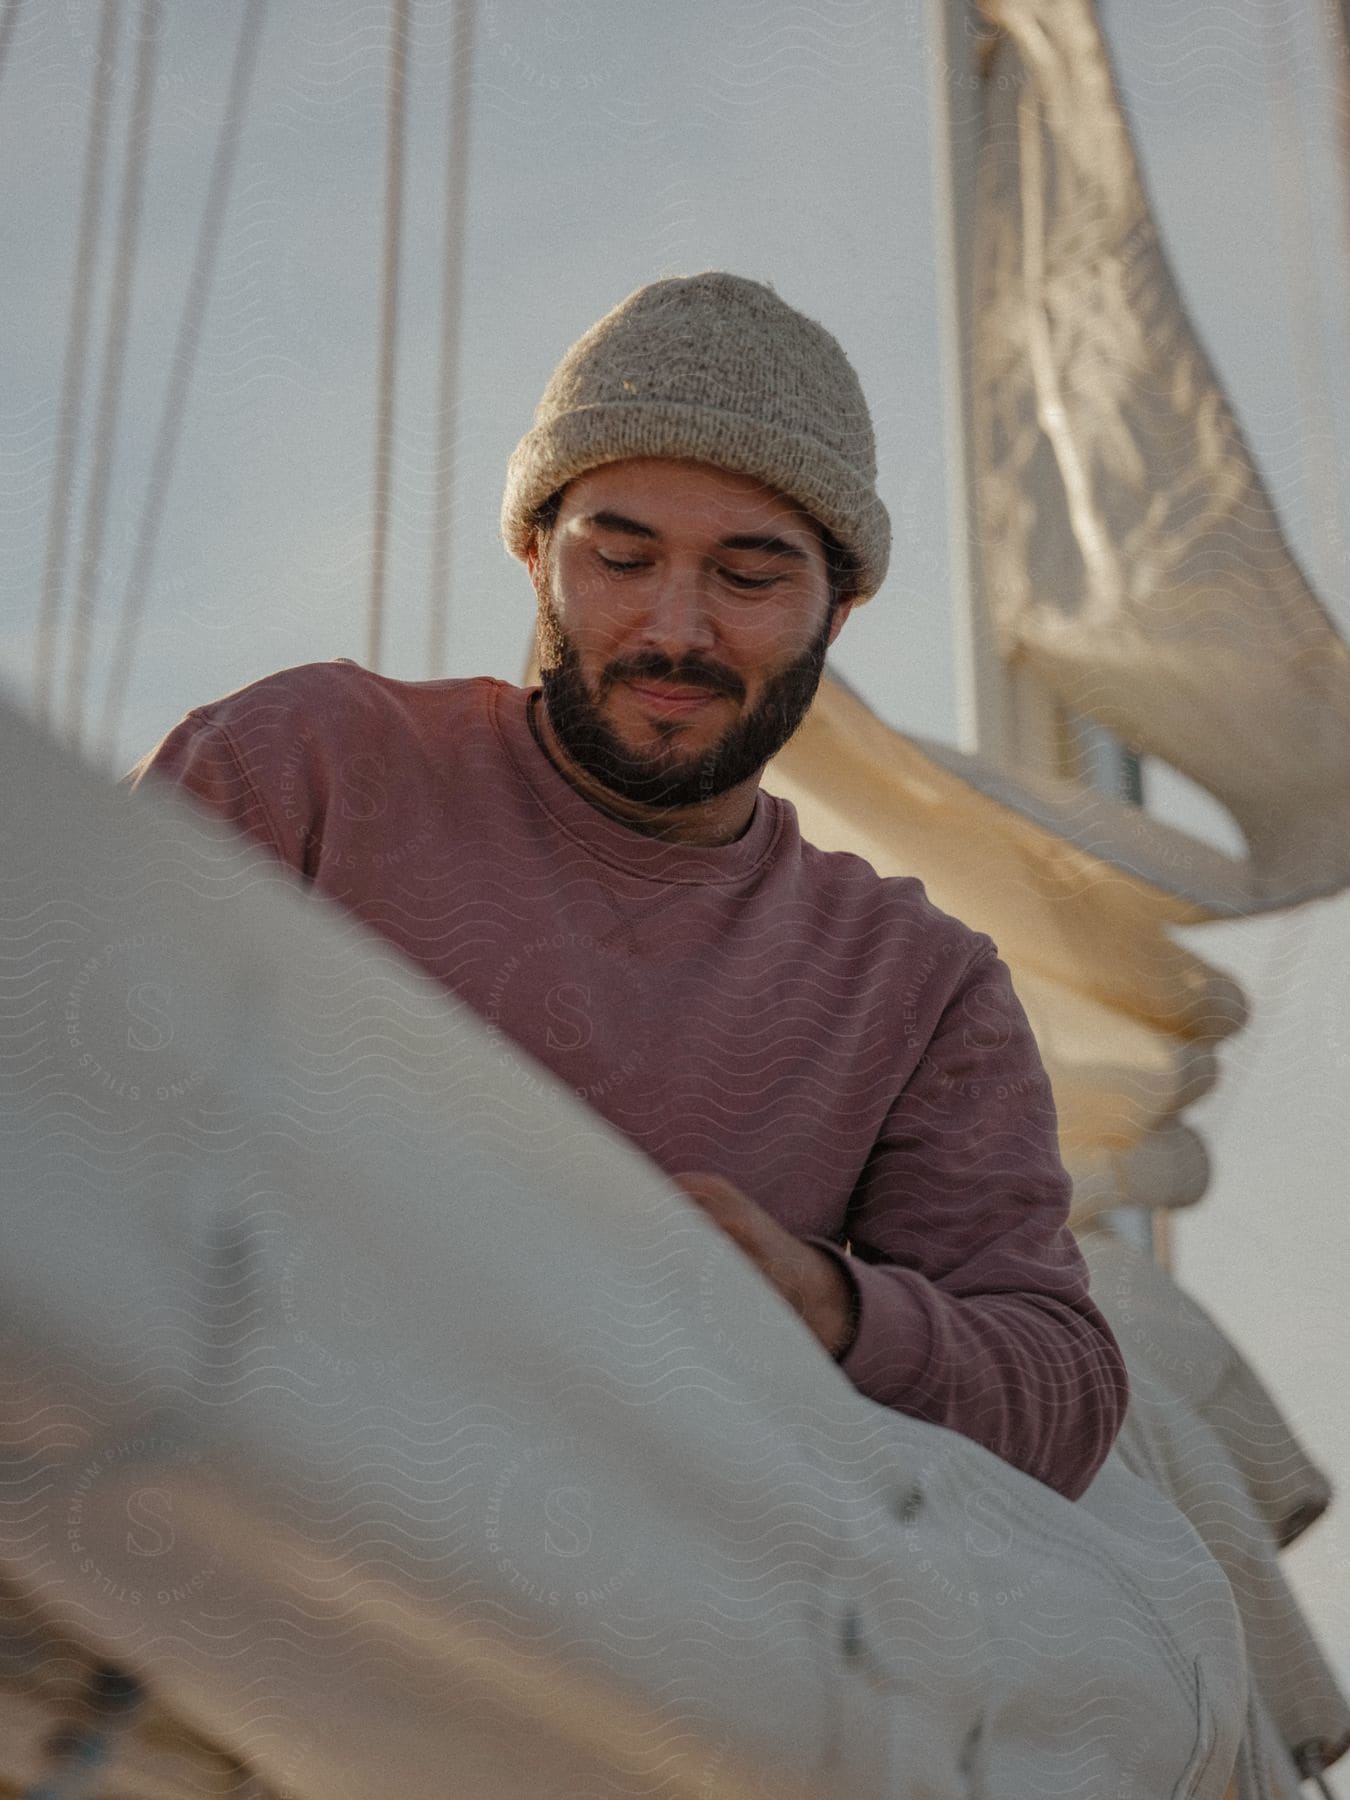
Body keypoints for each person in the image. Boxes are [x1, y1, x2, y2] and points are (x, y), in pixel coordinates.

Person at [126, 271, 1128, 1502]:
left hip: (595, 1637)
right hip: (182, 1515)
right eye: (621, 556)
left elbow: (1063, 1395)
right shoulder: (298, 766)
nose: (677, 630)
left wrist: (823, 1302)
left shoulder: (915, 985)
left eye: (750, 578)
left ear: (841, 609)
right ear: (538, 554)